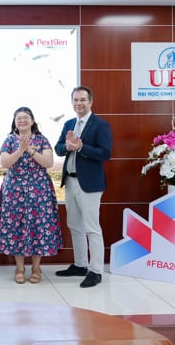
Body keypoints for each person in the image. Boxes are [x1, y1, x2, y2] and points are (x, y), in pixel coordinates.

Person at [0, 106, 62, 284]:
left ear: (32, 121)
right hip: (14, 190)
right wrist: (20, 149)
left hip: (39, 190)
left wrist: (30, 149)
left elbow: (48, 162)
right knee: (16, 227)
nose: (22, 121)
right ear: (15, 122)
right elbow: (4, 163)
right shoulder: (9, 140)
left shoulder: (41, 139)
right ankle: (20, 268)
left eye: (26, 117)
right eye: (19, 118)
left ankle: (36, 268)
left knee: (38, 227)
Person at [54, 86, 113, 288]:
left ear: (90, 102)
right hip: (70, 182)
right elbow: (58, 148)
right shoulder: (69, 124)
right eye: (76, 100)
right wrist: (67, 147)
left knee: (92, 228)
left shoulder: (100, 125)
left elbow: (105, 153)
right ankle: (80, 265)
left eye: (82, 100)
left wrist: (81, 147)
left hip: (90, 184)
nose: (79, 103)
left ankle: (96, 271)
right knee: (74, 225)